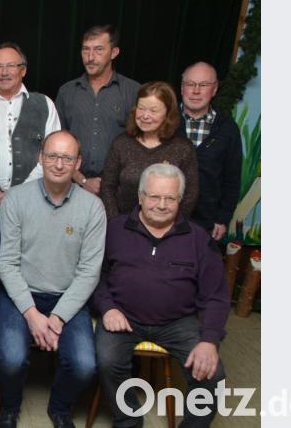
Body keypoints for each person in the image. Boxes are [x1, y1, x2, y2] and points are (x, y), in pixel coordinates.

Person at [93, 163, 230, 428]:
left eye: (171, 198)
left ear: (180, 200)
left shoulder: (198, 239)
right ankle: (129, 420)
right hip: (123, 317)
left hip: (178, 322)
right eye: (155, 196)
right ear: (141, 196)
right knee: (107, 360)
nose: (162, 204)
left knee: (214, 376)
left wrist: (210, 340)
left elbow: (216, 295)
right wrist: (107, 307)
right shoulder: (114, 230)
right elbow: (94, 276)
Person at [0, 131, 106, 428]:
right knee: (11, 358)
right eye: (52, 156)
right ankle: (10, 406)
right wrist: (31, 315)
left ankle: (60, 407)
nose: (58, 164)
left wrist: (57, 318)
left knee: (84, 366)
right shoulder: (16, 199)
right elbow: (6, 263)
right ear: (40, 158)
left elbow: (89, 272)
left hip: (67, 298)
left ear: (77, 162)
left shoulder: (93, 208)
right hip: (20, 294)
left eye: (67, 158)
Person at [0, 42, 62, 208]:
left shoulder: (45, 104)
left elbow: (54, 155)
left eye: (11, 66)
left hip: (34, 201)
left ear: (23, 70)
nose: (4, 72)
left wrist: (20, 193)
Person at [55, 25, 141, 196]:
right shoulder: (67, 91)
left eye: (98, 50)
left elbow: (142, 144)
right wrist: (82, 180)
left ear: (114, 52)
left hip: (119, 190)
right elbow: (56, 143)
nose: (90, 57)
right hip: (72, 187)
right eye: (86, 50)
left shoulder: (134, 92)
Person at [100, 81, 199, 219]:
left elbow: (190, 194)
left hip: (167, 230)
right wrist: (115, 224)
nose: (145, 116)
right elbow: (107, 187)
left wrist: (172, 226)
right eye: (141, 108)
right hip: (123, 225)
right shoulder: (121, 143)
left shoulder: (183, 148)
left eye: (153, 110)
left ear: (168, 114)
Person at [177, 61, 243, 241]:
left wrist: (223, 218)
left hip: (206, 223)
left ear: (214, 90)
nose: (196, 91)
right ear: (182, 88)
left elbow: (232, 178)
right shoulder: (166, 121)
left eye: (204, 85)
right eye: (190, 84)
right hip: (163, 216)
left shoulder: (228, 129)